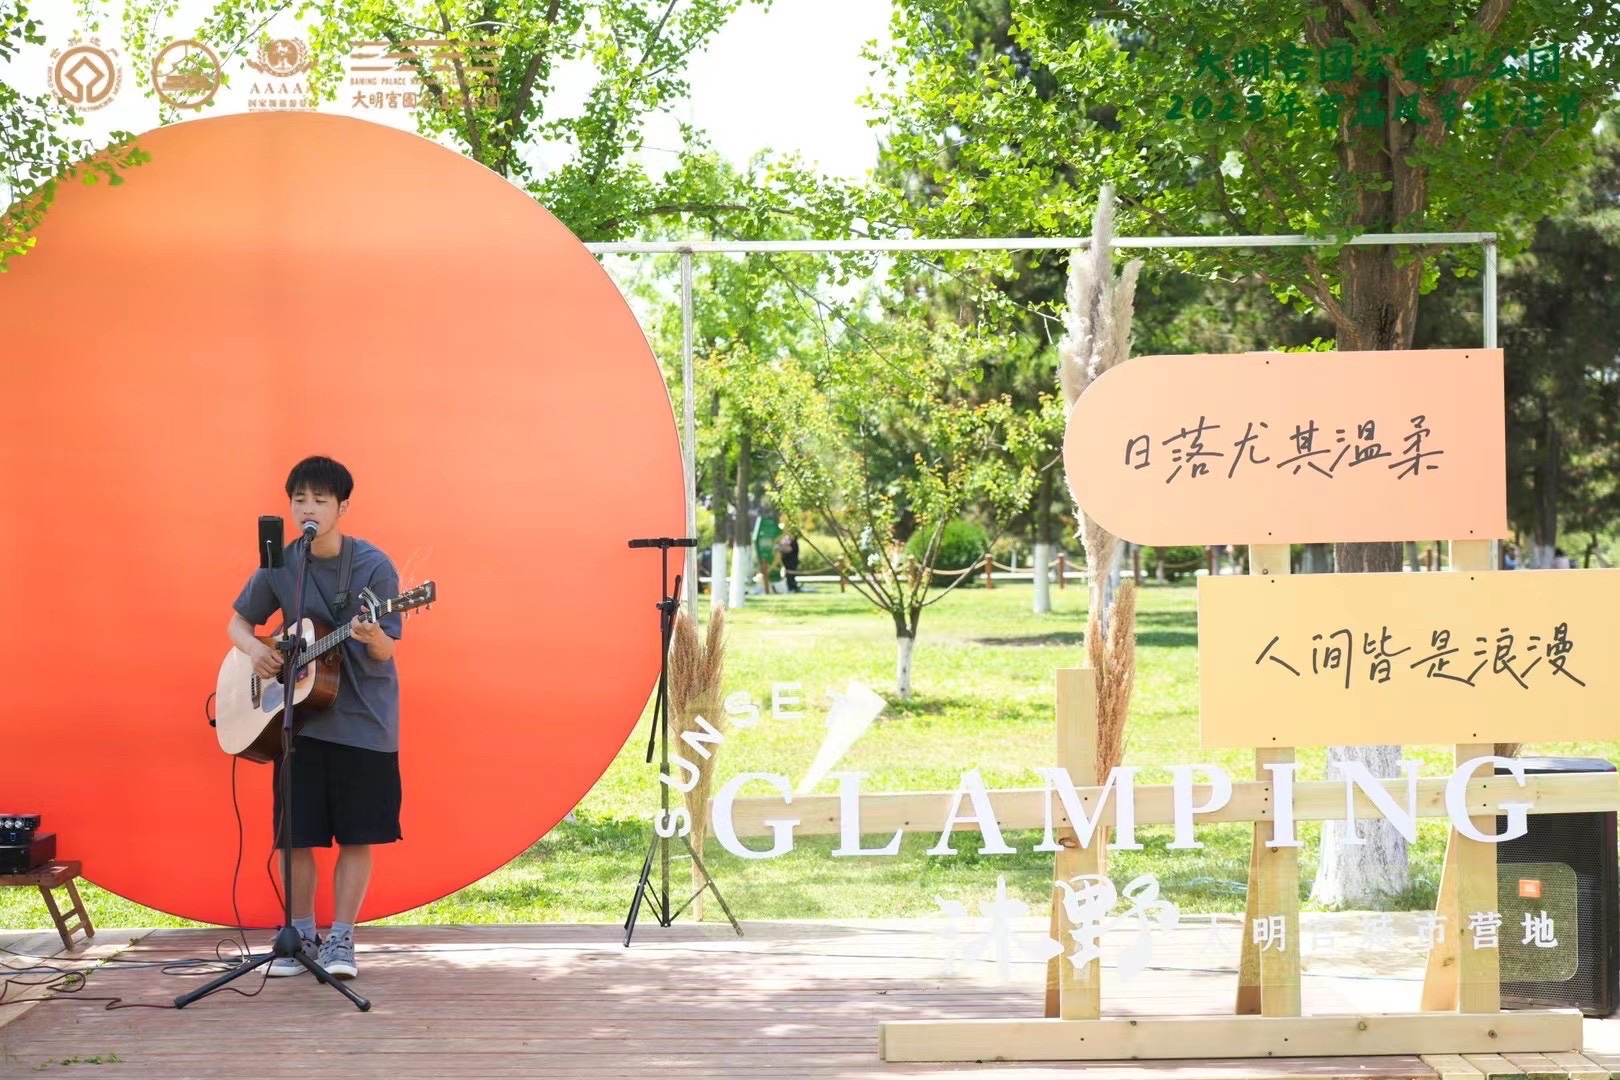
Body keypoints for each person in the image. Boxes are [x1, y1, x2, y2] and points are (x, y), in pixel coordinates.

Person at [228, 456, 404, 980]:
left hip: (363, 720)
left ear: (342, 507)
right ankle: (301, 935)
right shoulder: (282, 563)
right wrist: (257, 651)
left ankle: (342, 940)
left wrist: (373, 636)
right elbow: (238, 623)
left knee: (356, 834)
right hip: (299, 720)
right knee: (296, 836)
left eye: (320, 500)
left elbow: (386, 651)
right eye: (299, 500)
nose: (308, 509)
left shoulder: (373, 566)